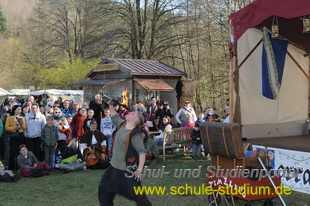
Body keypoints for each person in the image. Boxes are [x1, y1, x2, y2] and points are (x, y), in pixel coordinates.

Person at [98, 101, 151, 206]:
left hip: (126, 171)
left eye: (132, 113)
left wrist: (139, 170)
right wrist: (110, 104)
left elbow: (142, 153)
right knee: (103, 191)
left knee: (140, 198)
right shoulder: (122, 125)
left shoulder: (136, 135)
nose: (130, 113)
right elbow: (114, 115)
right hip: (113, 167)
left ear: (135, 120)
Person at [5, 105, 27, 171]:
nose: (19, 111)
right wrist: (15, 128)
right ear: (14, 110)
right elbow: (6, 127)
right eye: (18, 109)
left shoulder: (22, 118)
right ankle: (11, 168)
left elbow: (24, 128)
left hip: (20, 135)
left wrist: (22, 124)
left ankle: (18, 167)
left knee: (19, 151)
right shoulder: (9, 118)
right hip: (13, 136)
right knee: (12, 151)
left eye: (20, 109)